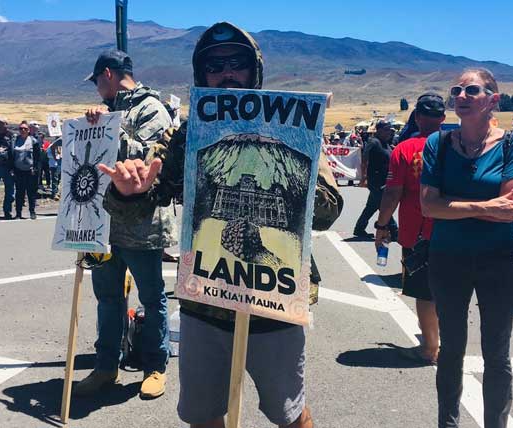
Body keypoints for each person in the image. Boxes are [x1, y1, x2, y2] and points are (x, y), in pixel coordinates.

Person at [96, 22, 343, 428]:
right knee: (203, 413)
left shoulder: (294, 125)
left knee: (290, 413)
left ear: (254, 70)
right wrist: (130, 192)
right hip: (204, 299)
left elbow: (329, 211)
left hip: (275, 302)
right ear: (201, 74)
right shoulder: (190, 133)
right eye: (214, 66)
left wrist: (295, 164)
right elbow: (148, 200)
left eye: (236, 64)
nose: (226, 73)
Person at [419, 68, 513, 428]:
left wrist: (452, 206)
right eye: (457, 90)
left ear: (493, 100)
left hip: (499, 261)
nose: (461, 96)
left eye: (472, 90)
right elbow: (428, 206)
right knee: (451, 351)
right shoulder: (438, 144)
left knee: (497, 355)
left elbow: (512, 207)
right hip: (448, 260)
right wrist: (484, 206)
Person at [73, 49, 177, 400]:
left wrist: (107, 127)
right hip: (104, 225)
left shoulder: (152, 109)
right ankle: (106, 367)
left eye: (98, 83)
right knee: (107, 298)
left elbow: (150, 159)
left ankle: (155, 367)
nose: (97, 92)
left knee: (151, 297)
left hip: (141, 224)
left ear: (107, 74)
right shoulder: (109, 109)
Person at [375, 93, 446, 364]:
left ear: (416, 117)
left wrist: (382, 225)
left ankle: (430, 348)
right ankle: (447, 341)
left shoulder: (404, 148)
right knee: (449, 289)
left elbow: (392, 193)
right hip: (454, 229)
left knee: (425, 293)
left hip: (418, 232)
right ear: (442, 118)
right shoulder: (456, 145)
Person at [354, 119, 397, 238]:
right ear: (379, 130)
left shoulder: (387, 144)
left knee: (372, 206)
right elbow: (365, 159)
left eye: (390, 130)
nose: (389, 133)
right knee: (384, 204)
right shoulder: (374, 142)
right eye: (386, 130)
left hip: (385, 181)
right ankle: (395, 231)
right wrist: (363, 178)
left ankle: (359, 228)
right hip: (376, 181)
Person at [12, 121, 40, 219]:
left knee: (31, 192)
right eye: (21, 129)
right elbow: (12, 155)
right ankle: (18, 213)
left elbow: (37, 157)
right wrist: (12, 169)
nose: (23, 130)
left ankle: (32, 211)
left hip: (30, 171)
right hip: (18, 170)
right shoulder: (15, 140)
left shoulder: (34, 141)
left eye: (25, 129)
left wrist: (35, 168)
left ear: (28, 130)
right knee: (19, 192)